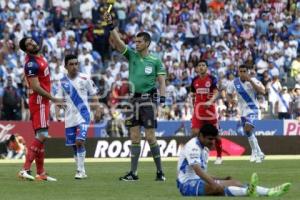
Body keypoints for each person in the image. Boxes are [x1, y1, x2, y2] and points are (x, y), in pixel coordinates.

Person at [104, 11, 167, 181]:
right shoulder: (131, 54)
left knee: (150, 136)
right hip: (133, 100)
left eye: (139, 41)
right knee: (134, 136)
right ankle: (134, 173)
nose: (136, 44)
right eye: (136, 41)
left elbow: (161, 81)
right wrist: (111, 26)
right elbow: (118, 42)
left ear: (147, 43)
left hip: (148, 100)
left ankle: (160, 172)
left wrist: (162, 99)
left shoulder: (155, 60)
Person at [177, 124, 291, 197]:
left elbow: (201, 173)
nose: (212, 142)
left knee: (235, 183)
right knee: (217, 188)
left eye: (214, 139)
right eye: (210, 139)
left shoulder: (203, 148)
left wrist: (220, 179)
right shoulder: (193, 146)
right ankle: (248, 192)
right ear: (201, 136)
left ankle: (269, 192)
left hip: (198, 181)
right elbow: (198, 171)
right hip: (186, 185)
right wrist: (214, 183)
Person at [18, 37, 62, 181]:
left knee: (41, 137)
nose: (32, 44)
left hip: (43, 101)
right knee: (42, 135)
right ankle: (25, 169)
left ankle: (40, 173)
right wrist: (54, 99)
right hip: (39, 101)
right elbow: (35, 86)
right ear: (26, 50)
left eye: (32, 41)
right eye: (28, 44)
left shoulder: (39, 57)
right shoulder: (31, 63)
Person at [56, 54, 99, 179]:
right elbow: (59, 99)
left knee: (79, 141)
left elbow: (94, 94)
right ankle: (82, 170)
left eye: (76, 64)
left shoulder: (85, 78)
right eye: (71, 64)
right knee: (74, 146)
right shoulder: (63, 82)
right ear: (65, 66)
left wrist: (97, 109)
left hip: (83, 116)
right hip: (69, 118)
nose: (74, 66)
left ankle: (80, 171)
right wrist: (58, 114)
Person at [226, 64, 265, 163]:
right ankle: (258, 152)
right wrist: (231, 101)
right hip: (242, 110)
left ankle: (257, 153)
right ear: (238, 72)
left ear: (247, 72)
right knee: (248, 132)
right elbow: (227, 94)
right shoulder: (234, 83)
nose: (243, 73)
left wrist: (251, 81)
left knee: (248, 128)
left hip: (253, 109)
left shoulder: (253, 80)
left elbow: (262, 91)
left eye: (244, 71)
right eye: (241, 71)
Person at [191, 60, 223, 165]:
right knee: (196, 133)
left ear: (206, 67)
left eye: (203, 65)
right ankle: (202, 154)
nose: (201, 67)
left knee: (216, 136)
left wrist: (210, 101)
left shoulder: (212, 79)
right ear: (197, 68)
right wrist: (193, 107)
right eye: (199, 65)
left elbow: (217, 93)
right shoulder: (194, 80)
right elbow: (193, 95)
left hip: (210, 112)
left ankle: (219, 156)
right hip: (198, 110)